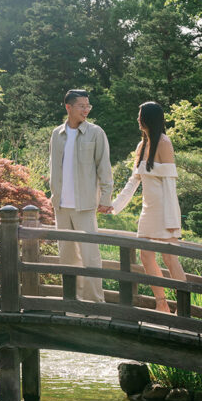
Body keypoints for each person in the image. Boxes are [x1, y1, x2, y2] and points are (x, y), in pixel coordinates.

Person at [110, 101, 187, 314]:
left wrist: (173, 221)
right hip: (148, 209)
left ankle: (183, 306)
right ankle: (161, 302)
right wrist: (114, 206)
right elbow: (133, 182)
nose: (137, 119)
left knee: (170, 258)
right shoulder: (141, 145)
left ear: (149, 118)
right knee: (145, 255)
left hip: (165, 209)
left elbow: (170, 186)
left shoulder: (164, 142)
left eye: (140, 115)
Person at [48, 89, 114, 303]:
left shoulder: (96, 133)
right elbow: (53, 168)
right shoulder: (57, 135)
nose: (86, 110)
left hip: (85, 205)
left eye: (88, 106)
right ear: (68, 107)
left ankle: (95, 304)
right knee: (67, 258)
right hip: (61, 206)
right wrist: (53, 197)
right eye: (81, 106)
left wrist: (105, 199)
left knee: (90, 257)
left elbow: (104, 167)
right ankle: (73, 303)